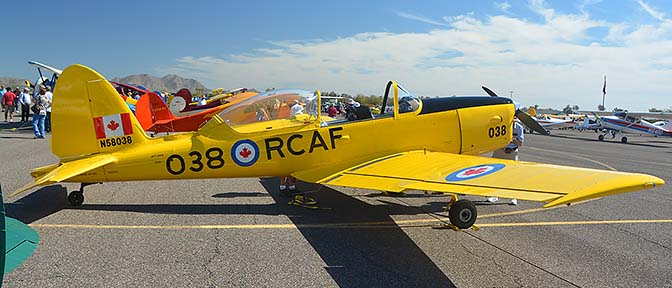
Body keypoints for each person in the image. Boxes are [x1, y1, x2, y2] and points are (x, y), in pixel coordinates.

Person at [487, 120, 524, 205]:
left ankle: (513, 197)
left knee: (512, 175)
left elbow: (520, 143)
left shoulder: (519, 128)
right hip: (499, 150)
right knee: (495, 173)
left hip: (512, 152)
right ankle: (494, 195)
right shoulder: (500, 125)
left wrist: (511, 138)